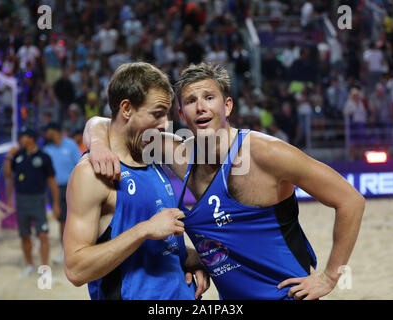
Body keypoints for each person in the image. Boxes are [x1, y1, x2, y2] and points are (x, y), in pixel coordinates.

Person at [84, 62, 365, 300]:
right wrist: (97, 143)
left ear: (227, 106)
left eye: (209, 97)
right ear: (181, 115)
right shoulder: (179, 154)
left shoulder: (264, 153)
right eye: (191, 101)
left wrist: (329, 277)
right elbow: (109, 123)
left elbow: (350, 200)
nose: (201, 107)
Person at [63, 62, 209, 300]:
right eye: (157, 114)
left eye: (167, 114)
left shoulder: (153, 155)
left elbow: (159, 246)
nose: (165, 124)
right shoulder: (92, 173)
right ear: (127, 108)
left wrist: (191, 259)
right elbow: (76, 269)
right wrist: (143, 230)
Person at [4, 127, 60, 277]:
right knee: (24, 235)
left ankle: (45, 270)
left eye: (24, 136)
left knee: (42, 235)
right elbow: (8, 175)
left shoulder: (44, 157)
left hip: (38, 200)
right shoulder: (17, 156)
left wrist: (55, 203)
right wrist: (9, 158)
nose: (21, 139)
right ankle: (29, 265)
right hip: (21, 200)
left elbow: (52, 181)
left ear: (32, 138)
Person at [43, 122, 81, 263]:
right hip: (55, 190)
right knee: (61, 222)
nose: (46, 134)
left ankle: (79, 251)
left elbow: (80, 164)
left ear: (54, 131)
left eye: (48, 131)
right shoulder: (47, 149)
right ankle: (66, 253)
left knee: (77, 220)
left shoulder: (70, 145)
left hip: (73, 187)